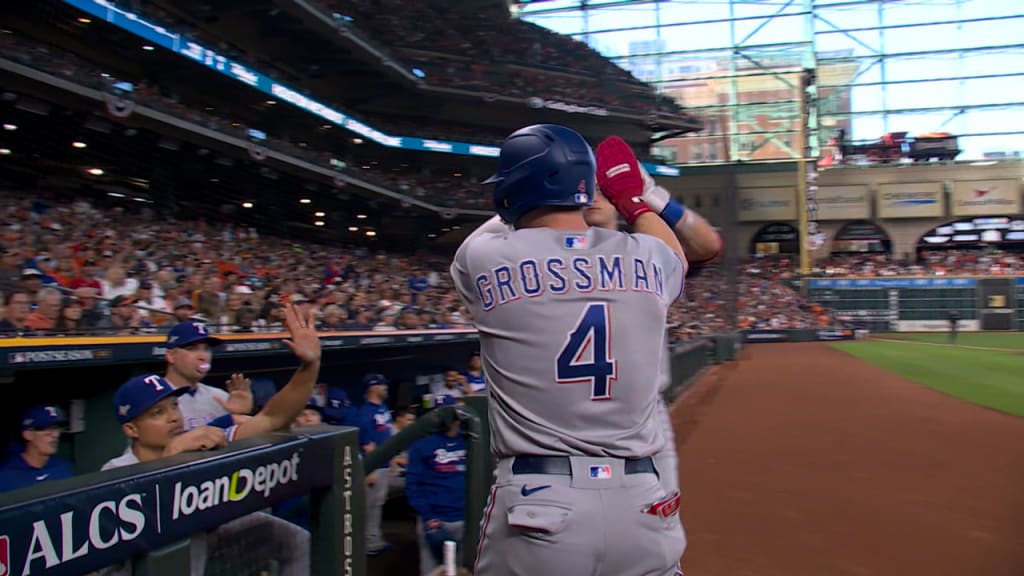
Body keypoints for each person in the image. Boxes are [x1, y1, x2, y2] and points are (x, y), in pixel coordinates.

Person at [451, 124, 687, 576]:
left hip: (540, 503)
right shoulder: (646, 255)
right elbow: (673, 251)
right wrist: (629, 197)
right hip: (643, 503)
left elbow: (502, 220)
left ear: (512, 190)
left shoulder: (484, 258)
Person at [100, 303, 320, 576]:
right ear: (132, 430)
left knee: (295, 540)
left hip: (208, 526)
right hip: (149, 556)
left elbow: (273, 419)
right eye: (158, 412)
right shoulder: (116, 471)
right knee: (179, 546)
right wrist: (171, 458)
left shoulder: (202, 426)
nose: (173, 418)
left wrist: (309, 366)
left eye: (174, 407)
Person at [405, 396, 467, 576]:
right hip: (435, 518)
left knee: (463, 569)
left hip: (464, 518)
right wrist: (428, 516)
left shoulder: (470, 441)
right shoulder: (422, 445)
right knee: (431, 570)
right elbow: (413, 484)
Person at [355, 372, 394, 554]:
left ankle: (373, 539)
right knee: (367, 507)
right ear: (372, 387)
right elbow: (364, 445)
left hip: (384, 465)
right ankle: (364, 543)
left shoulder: (383, 408)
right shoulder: (364, 413)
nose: (385, 387)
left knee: (377, 505)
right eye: (381, 385)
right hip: (373, 467)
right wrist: (368, 469)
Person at [0, 405, 74, 492]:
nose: (55, 435)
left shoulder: (63, 467)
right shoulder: (5, 476)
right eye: (47, 429)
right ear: (28, 434)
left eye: (56, 428)